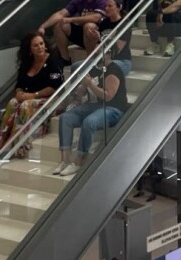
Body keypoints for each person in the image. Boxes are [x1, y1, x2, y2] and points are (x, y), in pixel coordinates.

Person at [52, 47, 128, 177]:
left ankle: (78, 160)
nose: (98, 55)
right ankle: (64, 160)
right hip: (95, 105)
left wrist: (90, 85)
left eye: (101, 52)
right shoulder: (95, 68)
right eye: (97, 52)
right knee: (66, 118)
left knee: (89, 122)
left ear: (109, 54)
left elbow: (108, 96)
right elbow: (85, 90)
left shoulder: (114, 70)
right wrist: (80, 90)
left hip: (113, 108)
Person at [0, 32, 64, 157]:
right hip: (28, 98)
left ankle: (19, 146)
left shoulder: (53, 61)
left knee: (25, 105)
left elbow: (55, 87)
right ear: (29, 49)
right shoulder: (26, 63)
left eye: (41, 44)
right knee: (12, 103)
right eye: (36, 45)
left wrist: (33, 95)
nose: (40, 47)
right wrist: (19, 93)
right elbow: (19, 85)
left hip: (50, 100)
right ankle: (1, 144)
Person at [38, 0, 108, 64]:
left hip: (98, 36)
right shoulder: (79, 0)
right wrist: (42, 26)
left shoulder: (103, 0)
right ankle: (65, 59)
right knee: (59, 24)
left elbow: (96, 17)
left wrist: (71, 20)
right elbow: (60, 14)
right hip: (81, 35)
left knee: (89, 25)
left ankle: (91, 60)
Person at [90, 0, 133, 76]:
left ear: (119, 8)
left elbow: (116, 50)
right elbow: (96, 49)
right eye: (105, 6)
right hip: (103, 59)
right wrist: (96, 39)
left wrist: (101, 42)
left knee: (105, 68)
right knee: (77, 66)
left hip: (121, 60)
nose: (106, 8)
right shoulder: (104, 23)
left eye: (110, 6)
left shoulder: (124, 25)